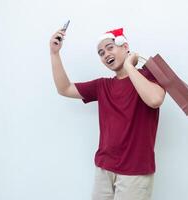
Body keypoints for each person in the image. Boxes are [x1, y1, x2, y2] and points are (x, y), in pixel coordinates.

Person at [50, 27, 166, 200]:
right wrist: (54, 53)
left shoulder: (148, 75)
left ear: (125, 46)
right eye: (101, 53)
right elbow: (64, 88)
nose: (105, 55)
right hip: (104, 168)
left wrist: (129, 66)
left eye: (110, 48)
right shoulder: (102, 86)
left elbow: (155, 99)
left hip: (135, 171)